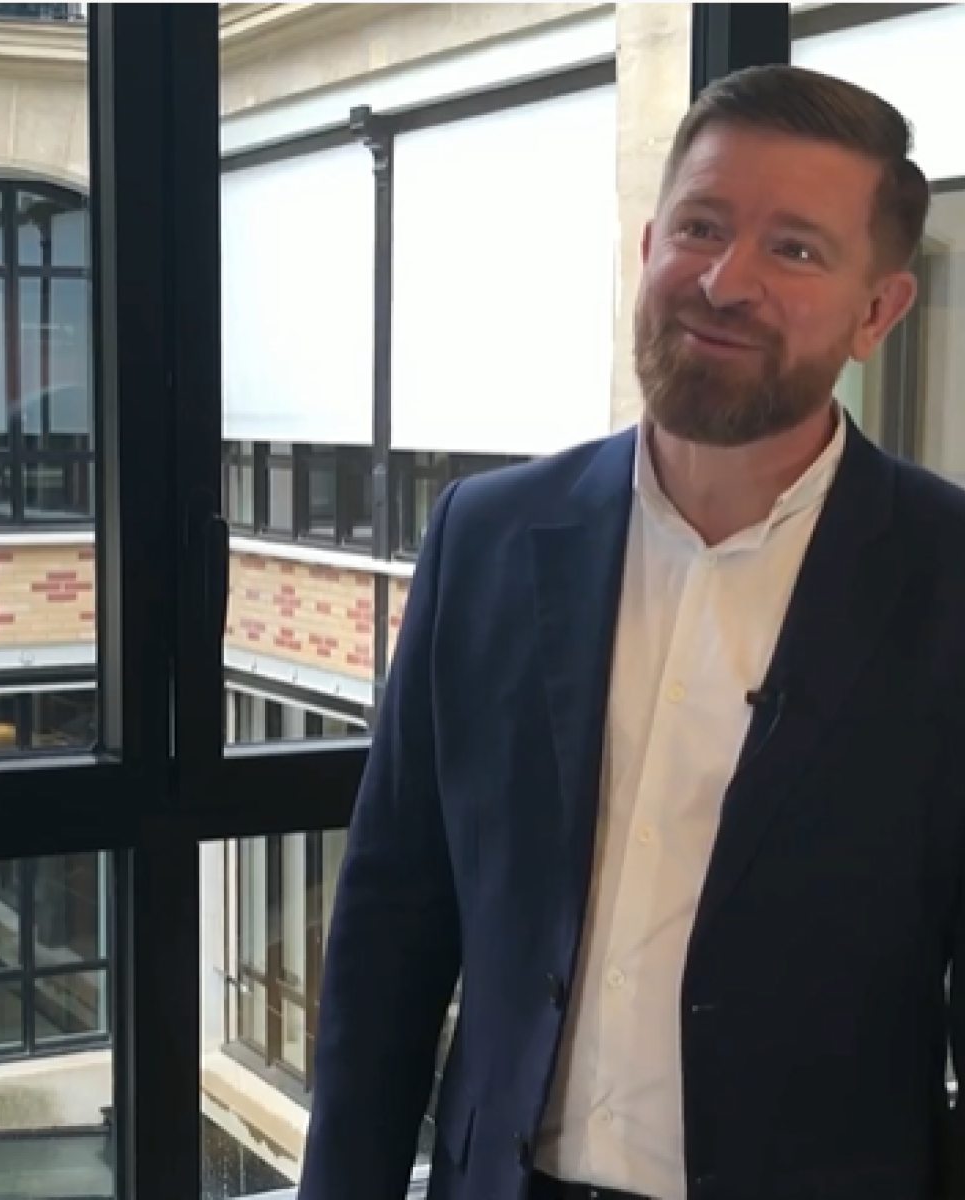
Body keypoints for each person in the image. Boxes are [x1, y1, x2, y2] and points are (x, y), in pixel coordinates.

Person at [296, 63, 965, 1200]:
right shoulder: (485, 537)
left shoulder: (948, 579)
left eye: (795, 249)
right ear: (648, 247)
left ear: (877, 313)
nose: (726, 281)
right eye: (700, 227)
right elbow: (392, 927)